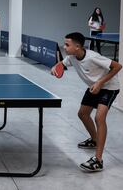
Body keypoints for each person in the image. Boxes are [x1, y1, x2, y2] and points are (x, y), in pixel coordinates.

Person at [51, 32, 121, 172]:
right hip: (93, 87)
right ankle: (94, 140)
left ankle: (98, 160)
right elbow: (62, 64)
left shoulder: (93, 57)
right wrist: (56, 67)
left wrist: (100, 82)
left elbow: (117, 66)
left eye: (67, 44)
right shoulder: (72, 57)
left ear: (77, 46)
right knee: (82, 114)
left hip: (108, 87)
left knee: (99, 118)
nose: (64, 47)